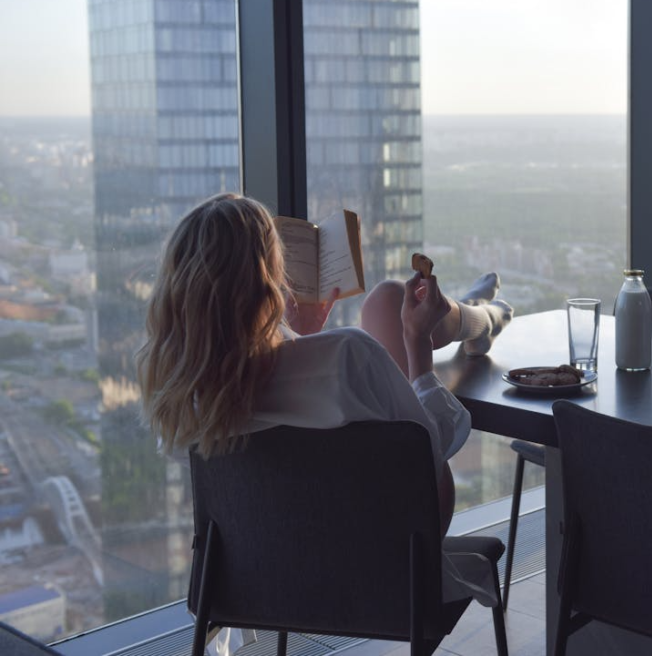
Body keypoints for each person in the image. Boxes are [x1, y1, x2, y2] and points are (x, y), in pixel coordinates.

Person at [136, 193, 512, 653]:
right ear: (268, 279)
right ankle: (477, 318)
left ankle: (478, 313)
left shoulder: (184, 395)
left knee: (384, 313)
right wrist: (417, 346)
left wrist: (300, 341)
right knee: (389, 307)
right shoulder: (347, 357)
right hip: (386, 563)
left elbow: (276, 459)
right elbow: (433, 445)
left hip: (257, 578)